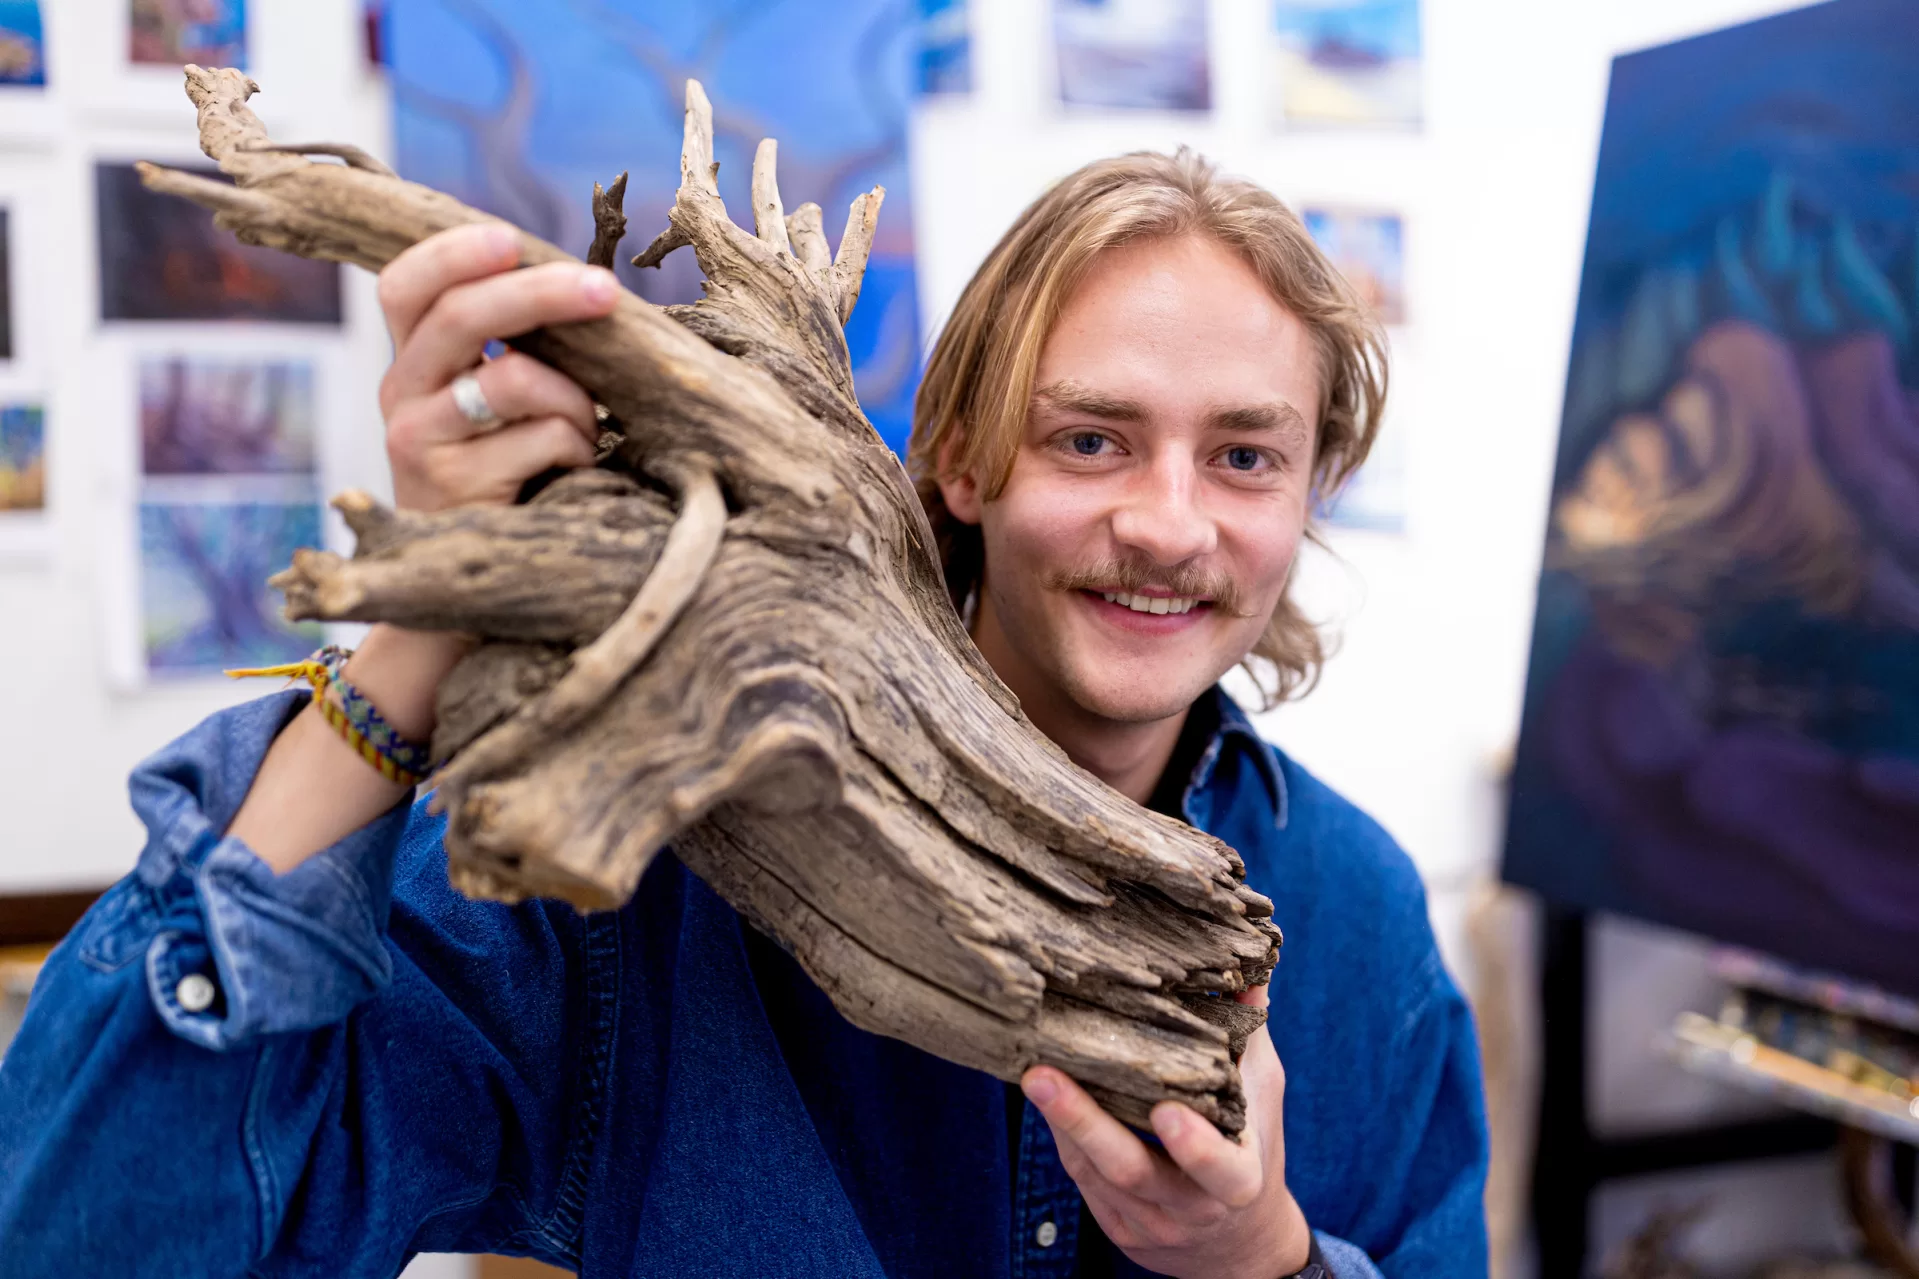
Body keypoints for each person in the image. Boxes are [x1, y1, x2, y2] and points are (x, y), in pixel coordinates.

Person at [0, 149, 1487, 1278]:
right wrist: (435, 618)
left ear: (1306, 495)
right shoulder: (632, 865)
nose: (1169, 525)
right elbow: (88, 1228)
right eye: (1089, 438)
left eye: (1243, 457)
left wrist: (1265, 1259)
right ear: (958, 462)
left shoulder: (1350, 916)